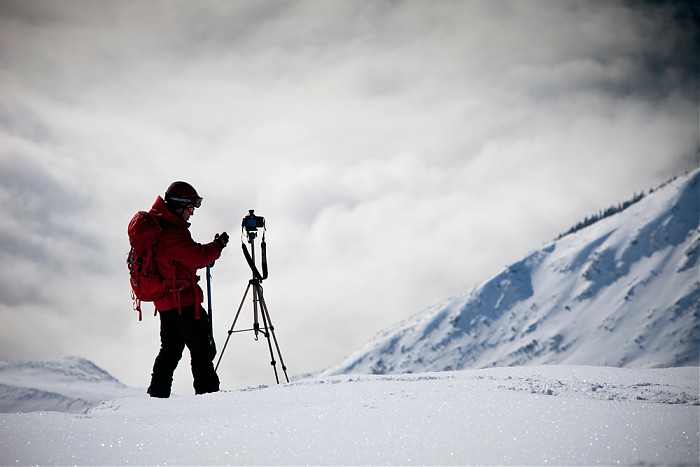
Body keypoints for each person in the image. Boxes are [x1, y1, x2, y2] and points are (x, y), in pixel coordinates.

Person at [146, 181, 229, 398]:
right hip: (183, 302)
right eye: (190, 208)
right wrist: (217, 246)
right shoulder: (171, 233)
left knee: (170, 351)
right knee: (202, 350)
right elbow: (197, 256)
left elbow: (182, 259)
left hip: (166, 301)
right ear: (179, 205)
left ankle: (157, 396)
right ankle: (208, 396)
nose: (191, 214)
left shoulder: (160, 226)